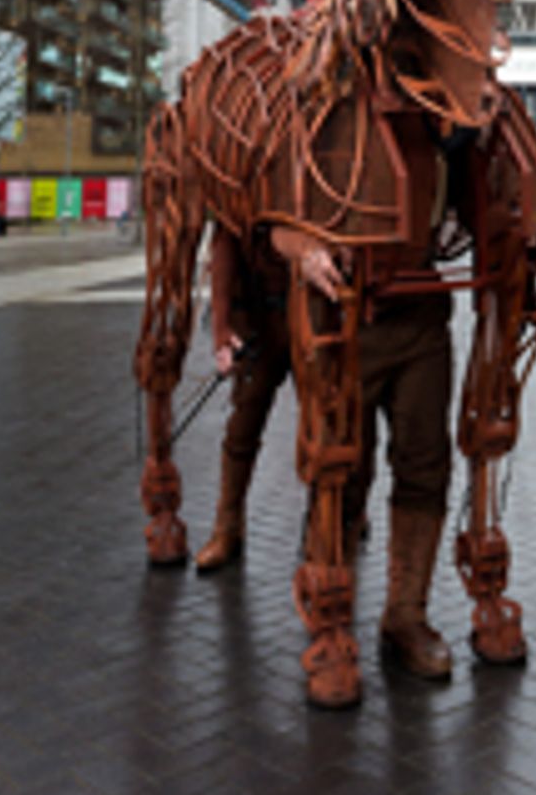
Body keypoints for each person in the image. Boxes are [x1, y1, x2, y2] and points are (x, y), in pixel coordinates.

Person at [195, 121, 460, 685]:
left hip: (422, 313)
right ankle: (331, 621)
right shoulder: (321, 114)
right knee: (340, 467)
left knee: (426, 463)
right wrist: (303, 247)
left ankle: (406, 615)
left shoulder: (439, 115)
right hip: (341, 319)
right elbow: (269, 222)